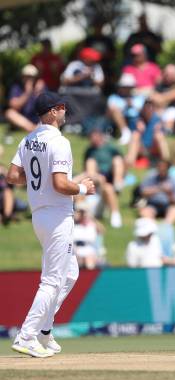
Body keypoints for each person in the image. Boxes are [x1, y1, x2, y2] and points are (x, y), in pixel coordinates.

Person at [6, 92, 96, 357]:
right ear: (53, 112)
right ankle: (27, 335)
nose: (64, 111)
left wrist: (39, 184)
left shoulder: (29, 139)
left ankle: (44, 330)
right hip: (57, 216)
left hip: (40, 215)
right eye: (61, 108)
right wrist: (83, 187)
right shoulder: (60, 142)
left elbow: (12, 175)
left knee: (70, 274)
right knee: (52, 280)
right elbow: (60, 184)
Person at [82, 128, 124, 228]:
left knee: (117, 161)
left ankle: (118, 186)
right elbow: (86, 171)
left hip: (109, 178)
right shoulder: (90, 151)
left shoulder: (111, 148)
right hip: (95, 185)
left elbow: (123, 161)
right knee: (91, 161)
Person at [125, 99, 170, 167]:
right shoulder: (137, 119)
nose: (148, 110)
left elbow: (166, 133)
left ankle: (166, 160)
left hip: (153, 148)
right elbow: (129, 135)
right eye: (146, 108)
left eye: (150, 108)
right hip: (141, 148)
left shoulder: (157, 120)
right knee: (135, 135)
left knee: (159, 135)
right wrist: (138, 128)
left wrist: (160, 127)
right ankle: (129, 162)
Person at [139, 160, 175, 225]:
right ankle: (153, 225)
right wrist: (158, 188)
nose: (161, 169)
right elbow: (142, 192)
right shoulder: (150, 177)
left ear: (168, 168)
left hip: (168, 205)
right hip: (152, 205)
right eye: (160, 167)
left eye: (164, 167)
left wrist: (169, 193)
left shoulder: (174, 180)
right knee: (144, 211)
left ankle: (166, 224)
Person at [107, 73, 146, 145]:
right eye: (124, 87)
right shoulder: (113, 97)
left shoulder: (139, 97)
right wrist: (124, 106)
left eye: (129, 87)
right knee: (116, 112)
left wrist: (132, 104)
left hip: (135, 120)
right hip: (118, 121)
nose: (127, 89)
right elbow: (109, 113)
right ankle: (125, 132)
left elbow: (144, 112)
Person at [5, 64, 46, 132]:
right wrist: (27, 93)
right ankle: (32, 128)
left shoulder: (41, 87)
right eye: (26, 76)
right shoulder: (17, 87)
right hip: (22, 119)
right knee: (9, 113)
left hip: (37, 119)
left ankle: (35, 128)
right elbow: (13, 105)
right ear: (22, 77)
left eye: (31, 77)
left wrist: (39, 93)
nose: (29, 79)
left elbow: (46, 107)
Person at [73, 200, 104, 269]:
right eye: (80, 212)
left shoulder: (92, 225)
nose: (82, 214)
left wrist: (90, 217)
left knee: (88, 260)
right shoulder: (73, 225)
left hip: (90, 250)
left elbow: (102, 230)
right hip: (76, 251)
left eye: (83, 212)